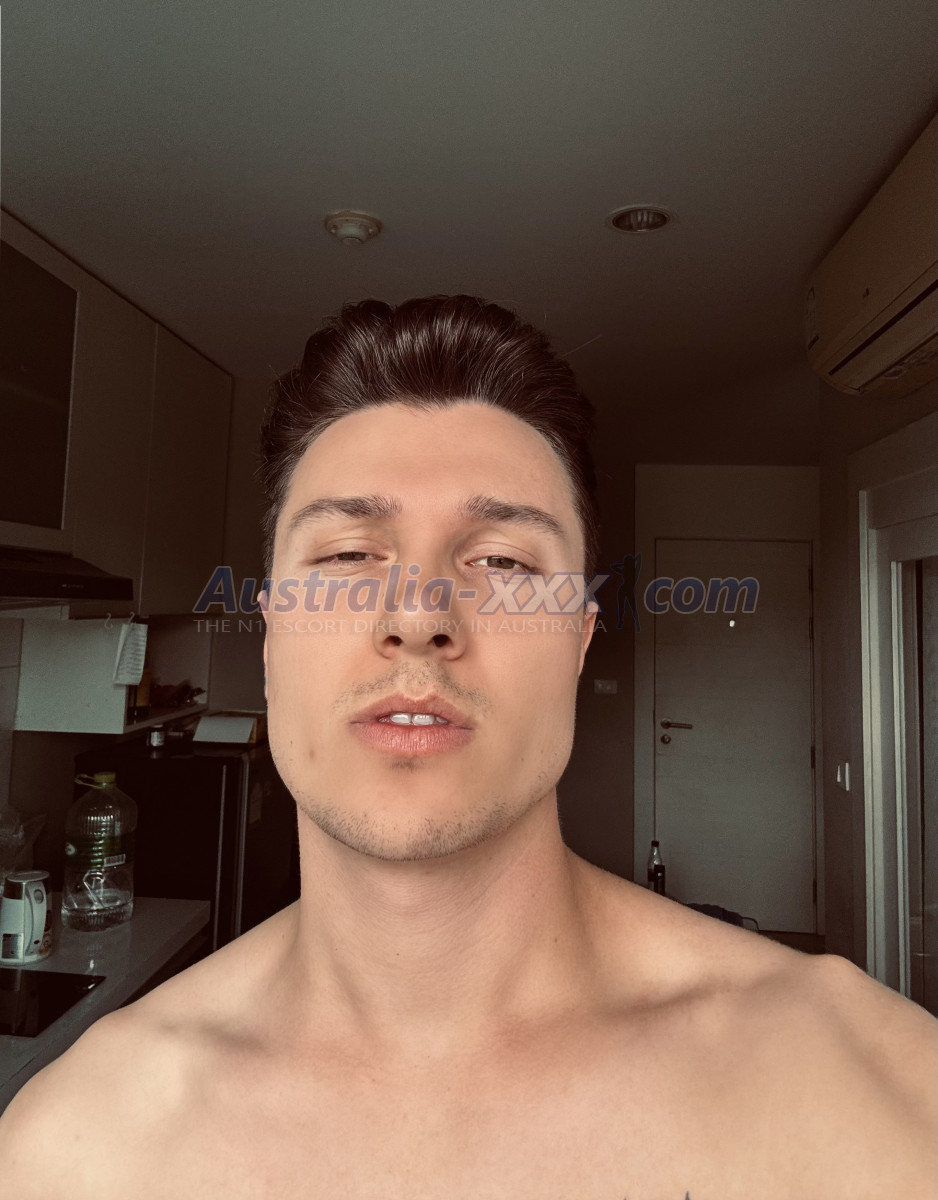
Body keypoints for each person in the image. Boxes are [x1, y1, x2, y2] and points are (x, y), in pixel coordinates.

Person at [1, 295, 935, 1198]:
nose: (418, 615)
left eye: (501, 560)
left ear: (579, 640)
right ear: (274, 635)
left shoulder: (869, 1092)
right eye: (347, 555)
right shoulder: (73, 1150)